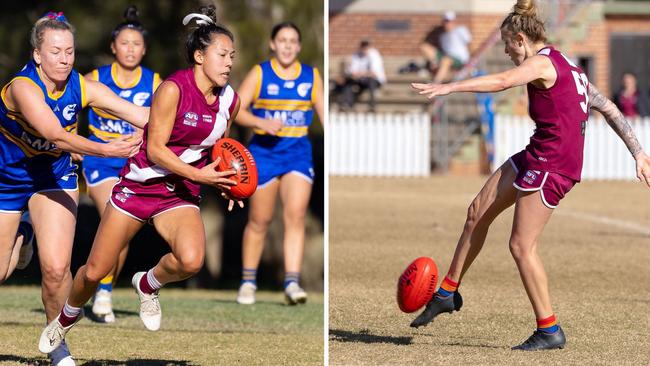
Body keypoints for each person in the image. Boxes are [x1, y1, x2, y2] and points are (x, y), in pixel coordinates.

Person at [410, 0, 650, 351]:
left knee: (522, 246)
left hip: (554, 166)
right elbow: (609, 107)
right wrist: (639, 151)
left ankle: (549, 330)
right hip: (536, 154)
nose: (507, 52)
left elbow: (506, 80)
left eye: (507, 45)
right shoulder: (566, 64)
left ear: (520, 39)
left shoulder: (540, 63)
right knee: (477, 212)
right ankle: (447, 292)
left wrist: (449, 87)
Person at [39, 6, 242, 360]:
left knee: (192, 260)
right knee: (94, 271)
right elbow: (157, 150)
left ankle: (148, 283)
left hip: (178, 193)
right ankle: (64, 318)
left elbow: (215, 150)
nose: (228, 63)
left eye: (232, 56)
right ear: (199, 55)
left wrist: (225, 180)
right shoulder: (172, 89)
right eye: (222, 55)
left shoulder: (230, 101)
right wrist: (201, 175)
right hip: (139, 186)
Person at [0, 11, 147, 365]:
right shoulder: (23, 87)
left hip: (54, 178)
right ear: (37, 54)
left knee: (55, 269)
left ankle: (58, 344)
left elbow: (139, 114)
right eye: (55, 51)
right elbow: (54, 133)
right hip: (8, 179)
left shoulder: (81, 86)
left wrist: (170, 127)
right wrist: (106, 149)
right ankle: (24, 230)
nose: (64, 58)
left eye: (69, 51)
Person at [235, 22, 324, 305]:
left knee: (295, 216)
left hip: (297, 154)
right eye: (282, 40)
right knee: (260, 220)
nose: (287, 45)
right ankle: (248, 282)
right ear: (273, 44)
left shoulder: (311, 76)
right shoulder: (261, 73)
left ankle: (292, 283)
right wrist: (261, 122)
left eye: (293, 41)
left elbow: (324, 115)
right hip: (263, 155)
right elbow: (236, 109)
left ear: (298, 46)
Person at [83, 5, 161, 324]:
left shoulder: (156, 83)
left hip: (135, 166)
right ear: (113, 47)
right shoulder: (94, 79)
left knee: (122, 233)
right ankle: (99, 290)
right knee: (111, 217)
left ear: (144, 49)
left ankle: (104, 291)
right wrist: (72, 143)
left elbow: (167, 124)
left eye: (136, 44)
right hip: (101, 162)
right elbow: (67, 109)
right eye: (124, 43)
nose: (130, 49)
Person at [419, 10, 471, 83]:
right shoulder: (442, 35)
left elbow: (469, 44)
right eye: (446, 21)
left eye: (449, 21)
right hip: (446, 56)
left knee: (446, 60)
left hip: (459, 59)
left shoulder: (461, 30)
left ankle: (435, 83)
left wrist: (469, 63)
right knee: (424, 47)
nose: (448, 24)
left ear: (454, 21)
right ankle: (436, 65)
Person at [340, 40, 385, 112]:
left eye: (366, 47)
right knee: (349, 82)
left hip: (375, 80)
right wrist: (354, 74)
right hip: (362, 80)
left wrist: (359, 74)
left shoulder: (374, 55)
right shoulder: (356, 55)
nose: (364, 49)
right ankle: (347, 104)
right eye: (363, 47)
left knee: (371, 81)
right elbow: (352, 71)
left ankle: (372, 105)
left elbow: (373, 73)